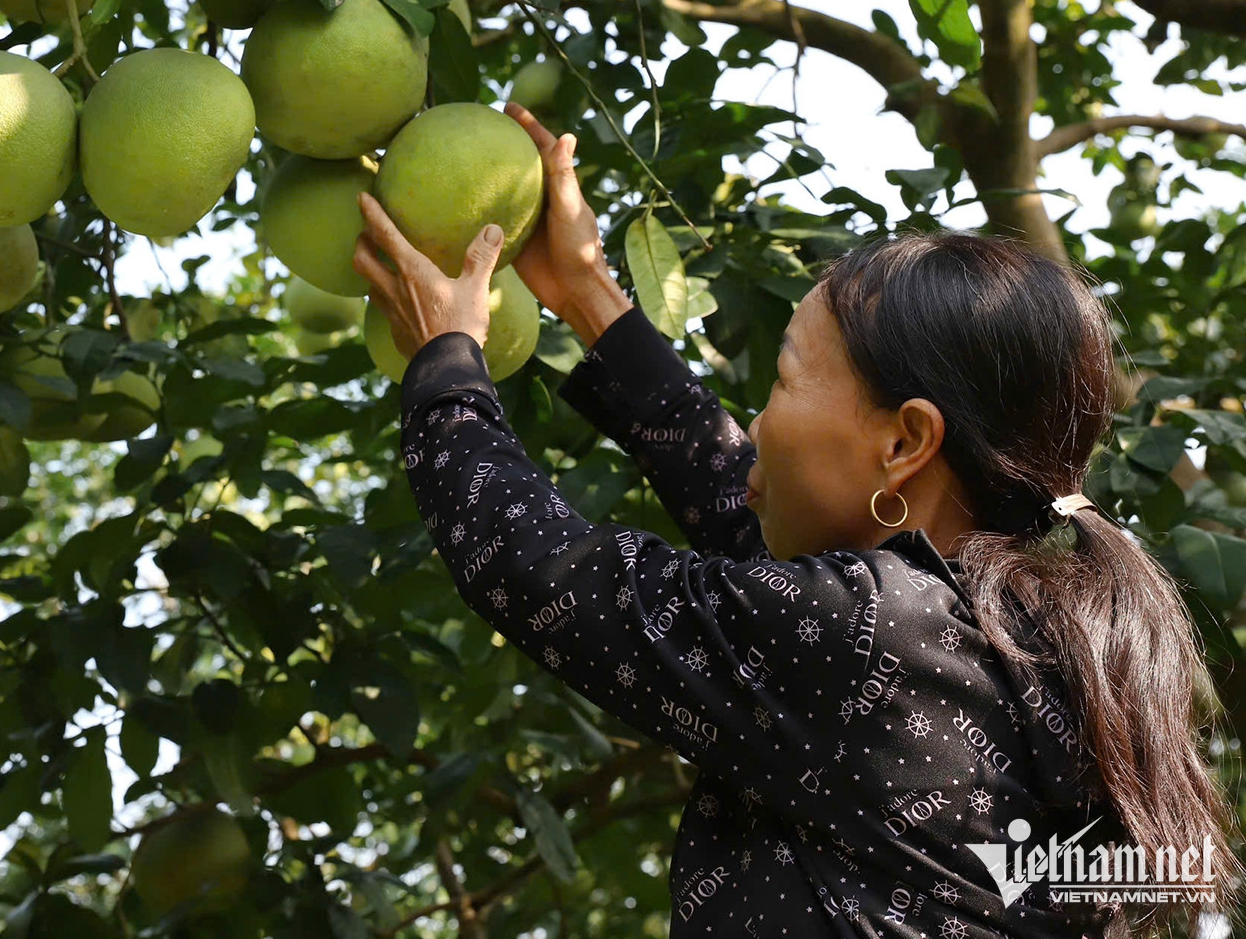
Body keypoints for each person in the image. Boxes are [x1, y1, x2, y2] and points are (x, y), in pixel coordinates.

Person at [350, 101, 1241, 937]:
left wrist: (445, 362)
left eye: (781, 382)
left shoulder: (870, 633)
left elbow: (534, 570)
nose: (761, 425)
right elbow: (742, 500)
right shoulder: (1013, 638)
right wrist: (587, 293)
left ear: (904, 445)